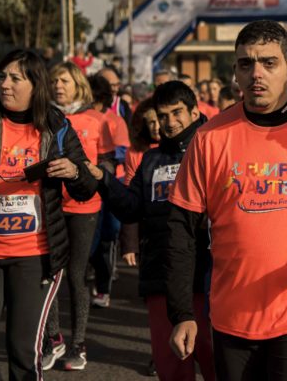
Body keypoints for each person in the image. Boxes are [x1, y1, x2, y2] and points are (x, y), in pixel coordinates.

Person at [166, 20, 287, 381]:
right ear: (235, 72)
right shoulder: (210, 138)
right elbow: (181, 230)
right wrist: (182, 312)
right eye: (246, 64)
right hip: (232, 316)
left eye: (268, 63)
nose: (256, 73)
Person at [91, 81, 215, 381]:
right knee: (171, 365)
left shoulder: (216, 148)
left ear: (194, 111)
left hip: (210, 273)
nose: (169, 123)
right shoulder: (151, 159)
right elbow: (132, 208)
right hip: (160, 273)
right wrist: (103, 181)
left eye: (177, 113)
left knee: (217, 362)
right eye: (163, 116)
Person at [0, 50, 97, 381]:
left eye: (15, 78)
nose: (5, 84)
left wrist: (74, 172)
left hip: (34, 255)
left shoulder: (56, 126)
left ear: (35, 85)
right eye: (1, 76)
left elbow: (87, 187)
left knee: (22, 350)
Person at [42, 63, 108, 371]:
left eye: (64, 80)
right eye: (54, 80)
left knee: (77, 274)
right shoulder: (43, 117)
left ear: (78, 84)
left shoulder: (95, 119)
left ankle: (78, 344)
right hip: (51, 205)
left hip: (85, 207)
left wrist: (97, 176)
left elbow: (106, 161)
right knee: (51, 272)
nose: (58, 85)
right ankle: (53, 338)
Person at [87, 74, 130, 308]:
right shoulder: (79, 118)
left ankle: (104, 288)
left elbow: (123, 150)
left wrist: (105, 160)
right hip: (86, 187)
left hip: (113, 183)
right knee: (89, 237)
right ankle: (91, 276)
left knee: (108, 236)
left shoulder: (115, 120)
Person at [120, 98, 161, 268]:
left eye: (161, 119)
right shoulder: (135, 152)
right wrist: (130, 243)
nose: (157, 127)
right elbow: (131, 198)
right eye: (151, 122)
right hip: (147, 226)